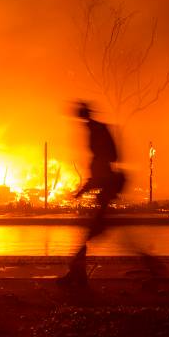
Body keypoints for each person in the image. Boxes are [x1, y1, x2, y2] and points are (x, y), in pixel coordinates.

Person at [57, 102, 126, 287]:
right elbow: (103, 166)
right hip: (106, 194)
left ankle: (77, 277)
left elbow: (100, 171)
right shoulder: (98, 131)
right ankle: (78, 276)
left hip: (105, 196)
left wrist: (82, 191)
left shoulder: (97, 134)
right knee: (90, 236)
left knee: (89, 236)